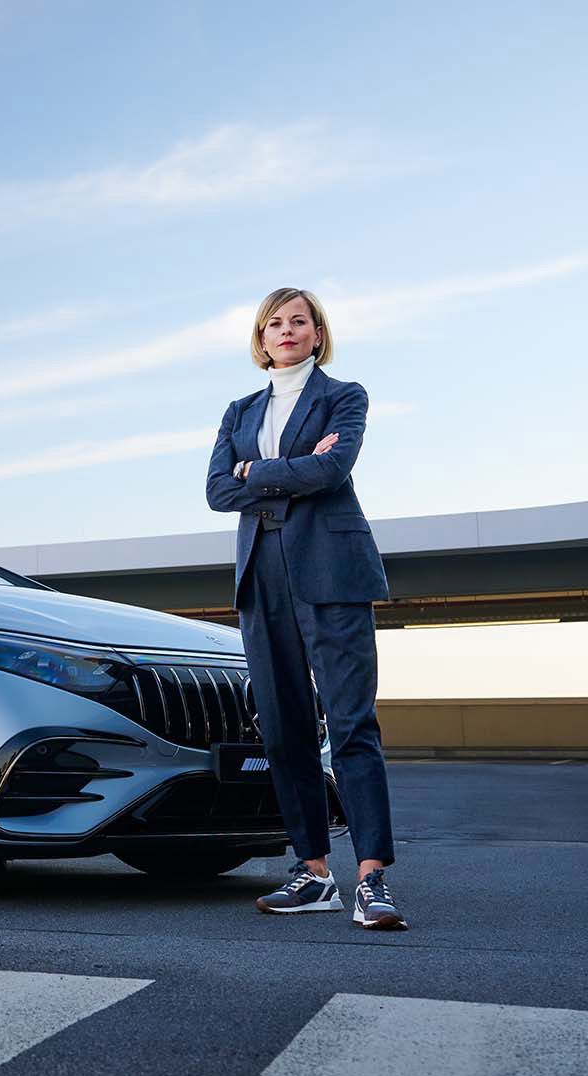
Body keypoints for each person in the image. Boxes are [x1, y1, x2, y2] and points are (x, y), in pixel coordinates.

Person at [204, 287, 406, 931]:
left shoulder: (344, 395)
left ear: (318, 334)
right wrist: (291, 467)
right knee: (285, 730)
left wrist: (254, 472)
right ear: (260, 340)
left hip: (332, 571)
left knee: (350, 724)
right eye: (274, 323)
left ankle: (371, 876)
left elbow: (333, 472)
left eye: (299, 321)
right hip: (261, 576)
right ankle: (312, 871)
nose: (286, 330)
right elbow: (215, 492)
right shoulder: (238, 408)